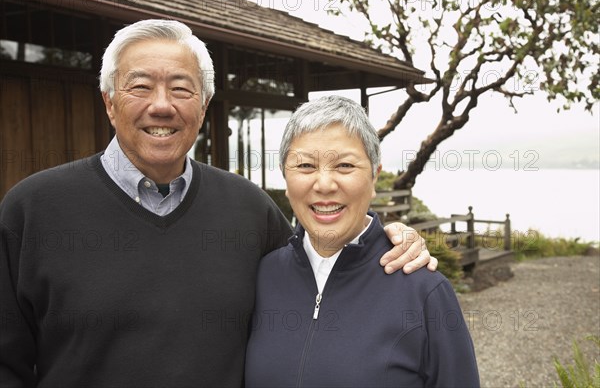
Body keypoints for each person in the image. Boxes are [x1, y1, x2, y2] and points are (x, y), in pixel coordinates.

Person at [0, 20, 436, 387]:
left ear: (204, 105)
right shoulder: (32, 211)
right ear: (110, 103)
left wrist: (386, 239)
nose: (161, 105)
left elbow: (319, 270)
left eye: (181, 89)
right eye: (140, 86)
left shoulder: (250, 210)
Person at [245, 95, 479, 387]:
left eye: (344, 165)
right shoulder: (264, 276)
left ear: (374, 177)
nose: (325, 185)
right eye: (305, 166)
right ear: (285, 178)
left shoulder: (424, 291)